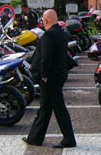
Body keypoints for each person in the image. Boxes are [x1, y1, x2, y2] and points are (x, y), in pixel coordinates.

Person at [23, 9, 76, 148]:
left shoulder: (48, 35)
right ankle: (35, 137)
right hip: (59, 74)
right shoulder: (61, 33)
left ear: (45, 21)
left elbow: (45, 58)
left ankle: (69, 139)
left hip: (50, 77)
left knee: (58, 108)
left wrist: (44, 75)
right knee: (45, 108)